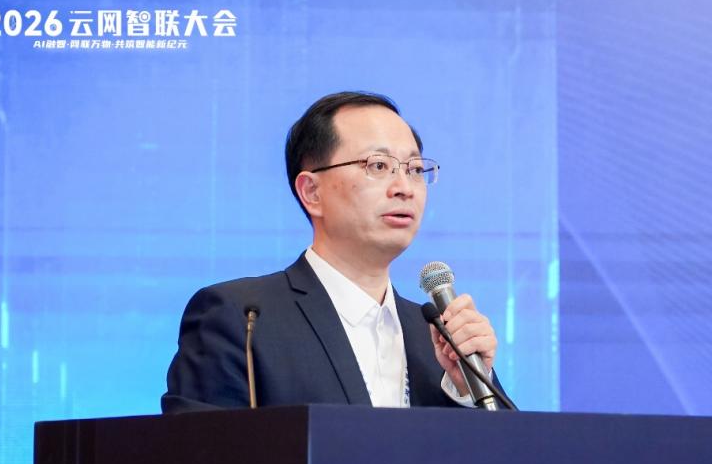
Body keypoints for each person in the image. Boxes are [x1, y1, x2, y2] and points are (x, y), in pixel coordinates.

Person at [161, 91, 502, 413]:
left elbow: (501, 451)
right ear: (312, 192)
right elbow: (201, 451)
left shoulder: (443, 340)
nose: (404, 188)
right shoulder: (243, 320)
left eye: (414, 169)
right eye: (378, 165)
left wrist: (468, 387)